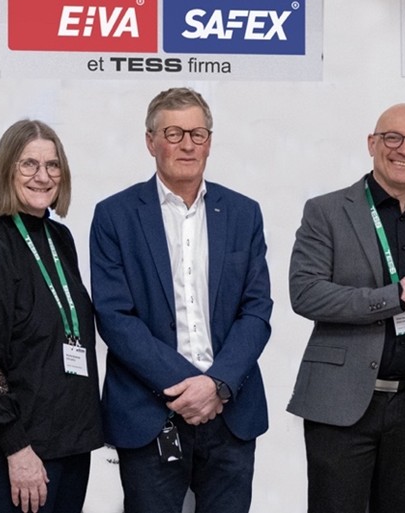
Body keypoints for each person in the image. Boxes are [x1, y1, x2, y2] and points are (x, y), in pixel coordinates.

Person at [89, 87, 272, 513]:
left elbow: (256, 310)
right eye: (173, 133)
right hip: (150, 412)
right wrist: (191, 386)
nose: (187, 144)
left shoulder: (244, 213)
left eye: (197, 133)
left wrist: (217, 384)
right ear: (150, 141)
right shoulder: (115, 215)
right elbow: (115, 317)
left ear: (209, 142)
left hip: (230, 411)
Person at [287, 103, 405, 513]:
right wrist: (391, 296)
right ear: (372, 143)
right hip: (341, 402)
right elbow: (306, 293)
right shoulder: (326, 211)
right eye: (393, 138)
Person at [0, 120, 103, 513]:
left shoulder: (59, 238)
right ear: (6, 170)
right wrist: (17, 449)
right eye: (29, 164)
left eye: (52, 165)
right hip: (14, 456)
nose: (43, 176)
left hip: (67, 447)